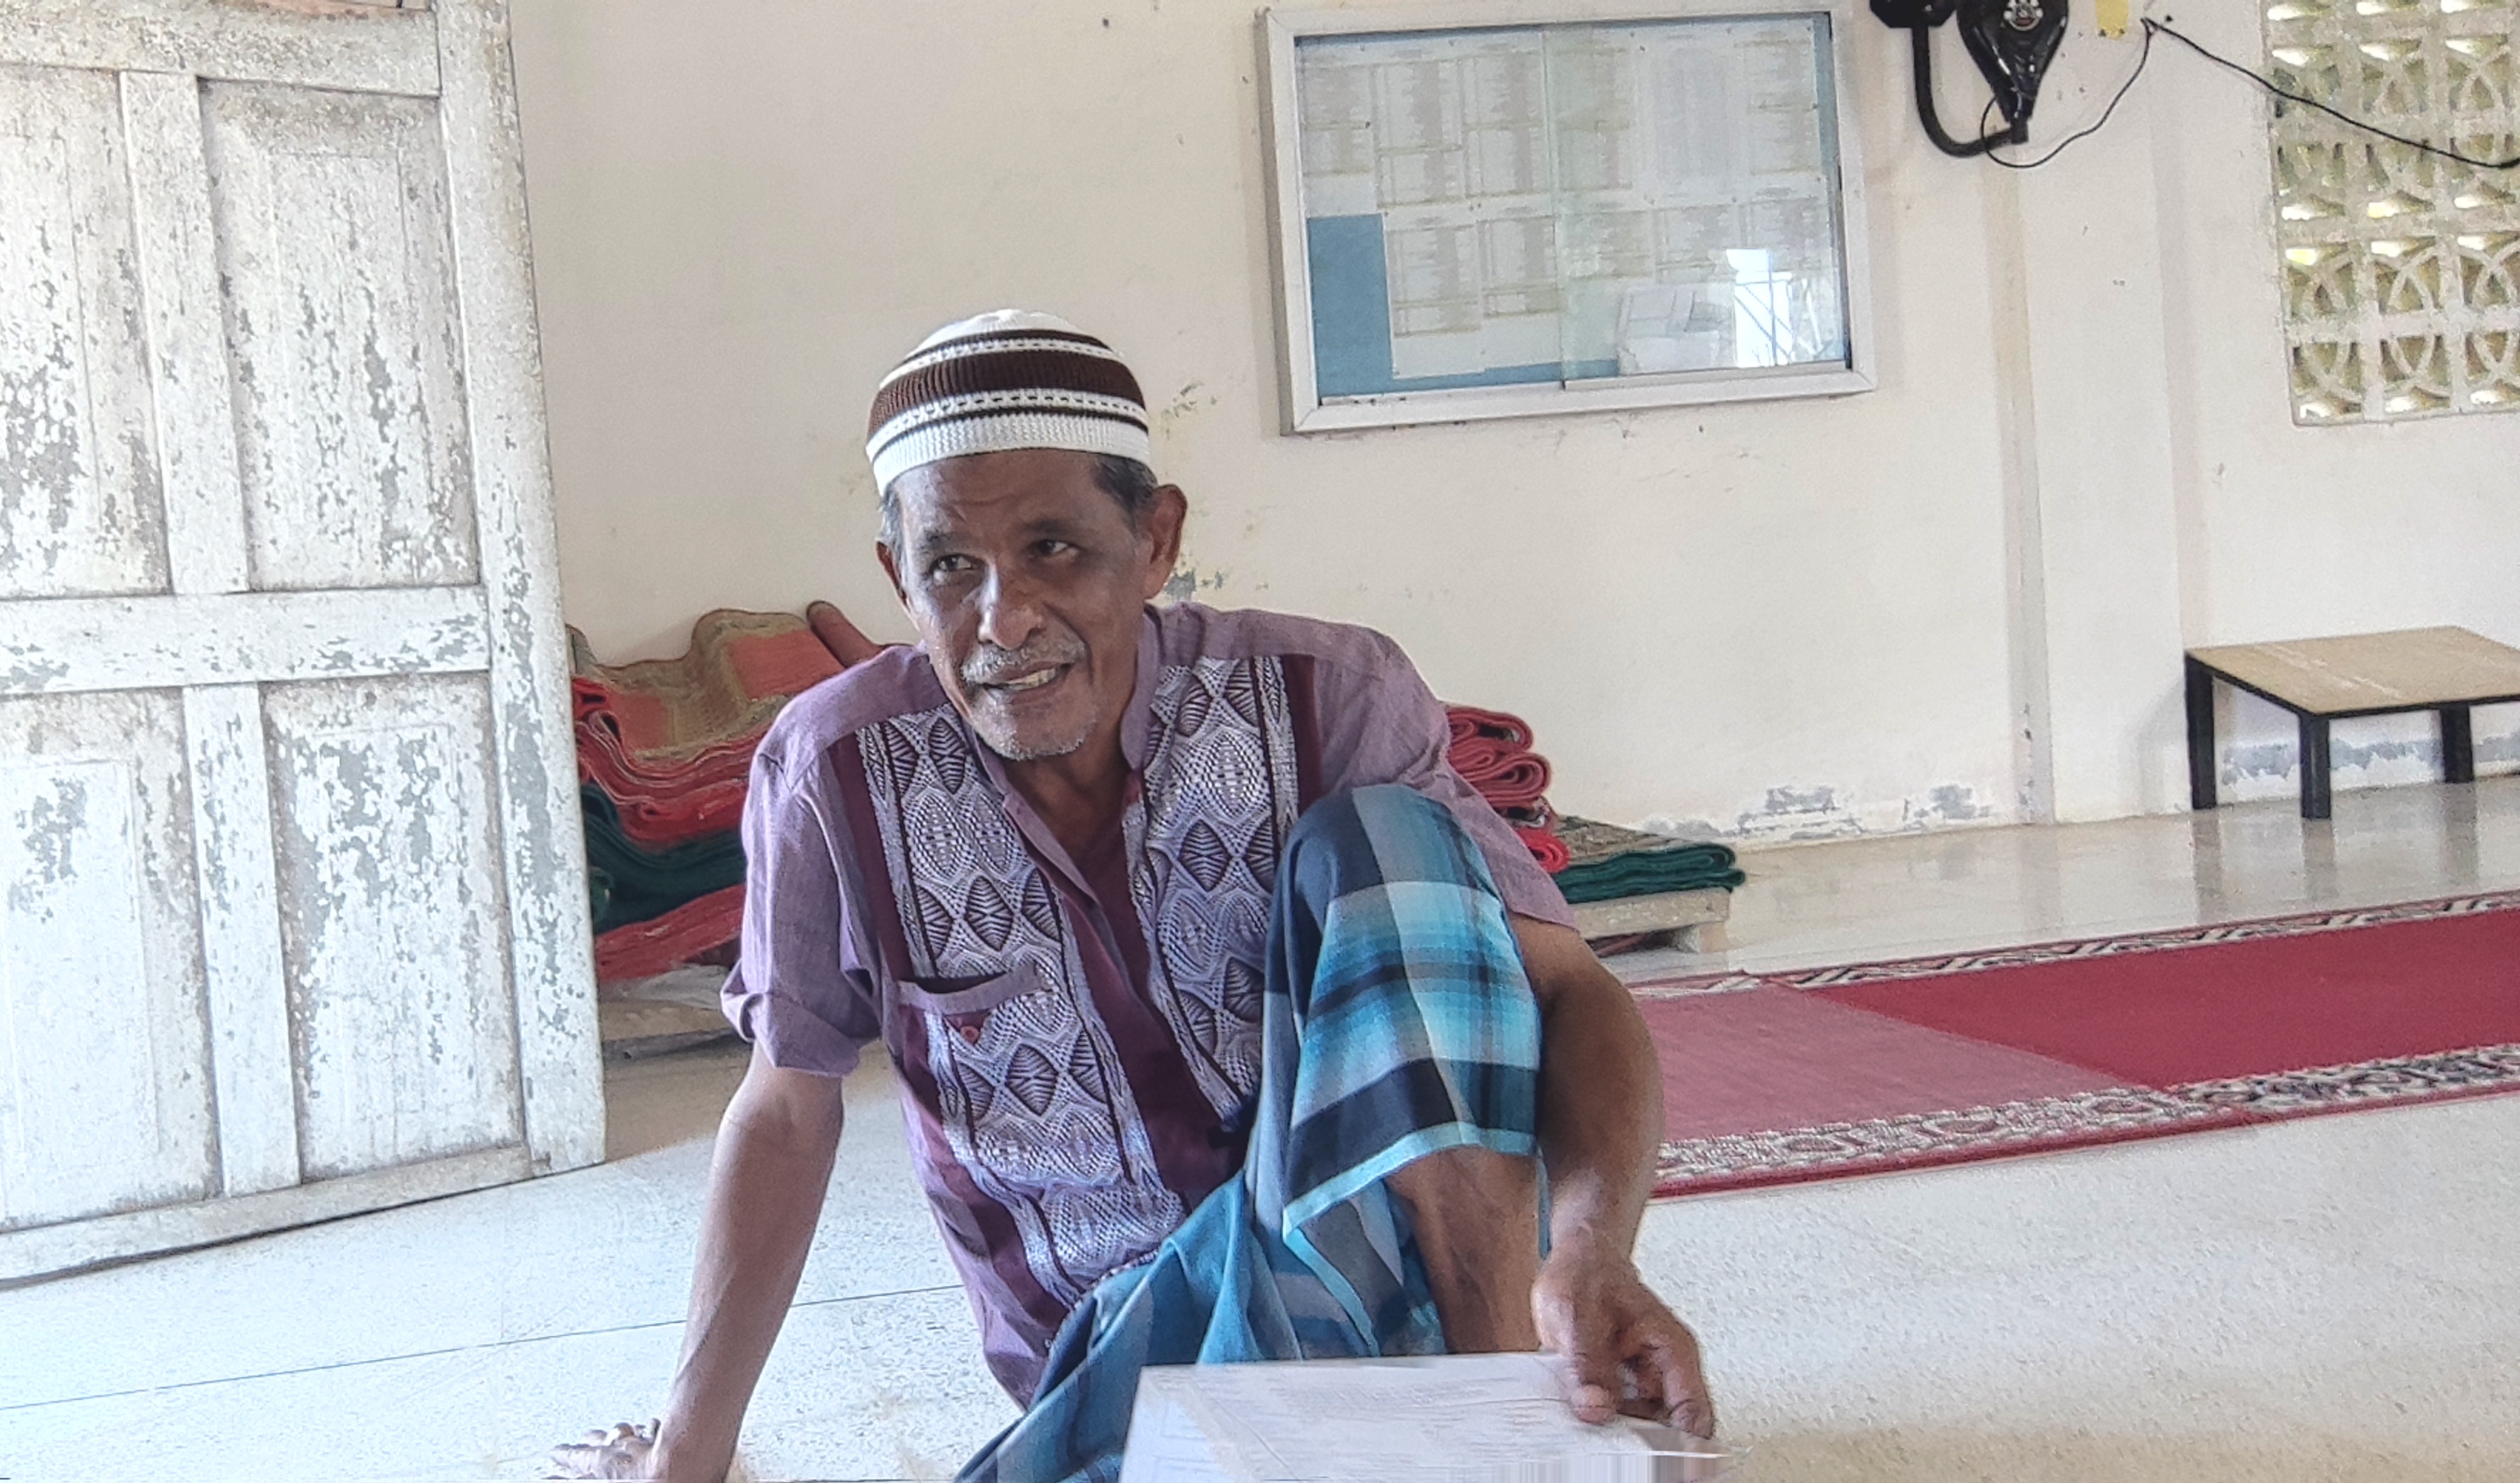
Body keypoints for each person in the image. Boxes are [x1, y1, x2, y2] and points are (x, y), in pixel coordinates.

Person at [553, 311, 1714, 1483]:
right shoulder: (835, 773)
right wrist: (687, 1454)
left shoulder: (1332, 699)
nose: (1004, 620)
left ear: (1156, 542)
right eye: (950, 566)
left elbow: (1569, 989)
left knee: (1386, 845)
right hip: (1124, 1359)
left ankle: (1500, 1414)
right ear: (898, 579)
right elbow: (787, 1105)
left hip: (1396, 1288)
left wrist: (1593, 1249)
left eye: (1055, 548)